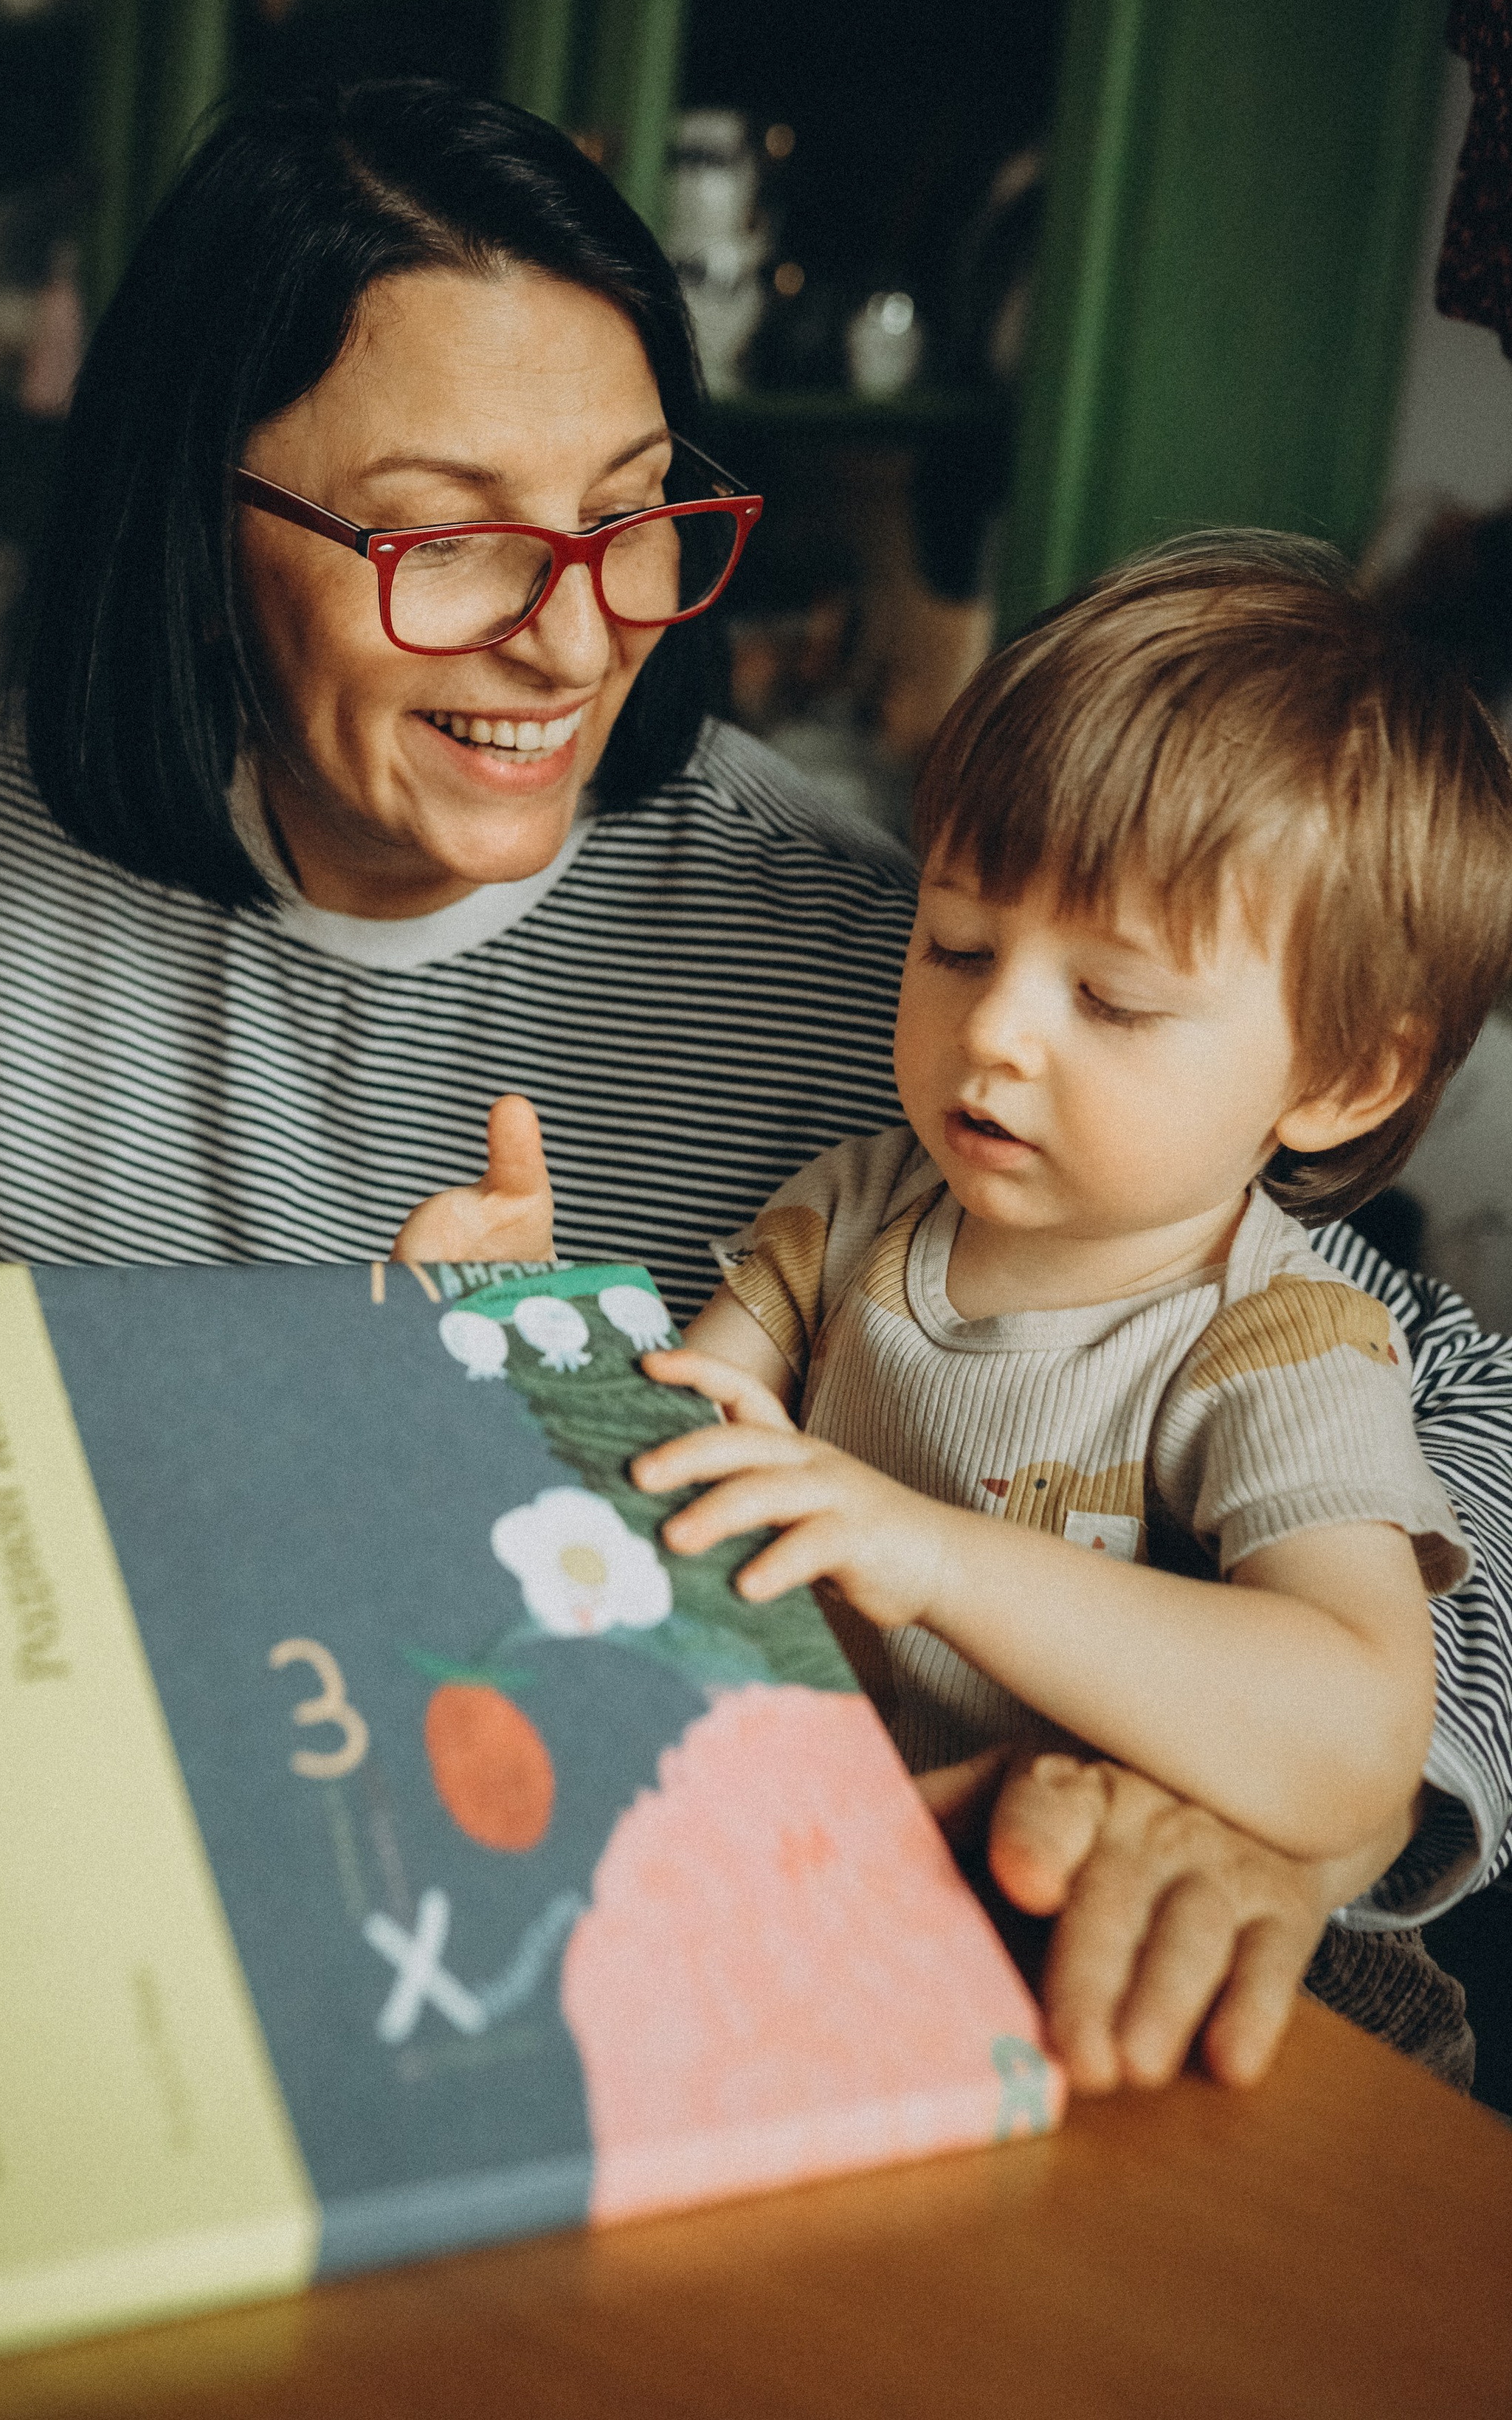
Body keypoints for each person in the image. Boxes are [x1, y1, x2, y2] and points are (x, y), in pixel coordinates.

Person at [0, 82, 1508, 2087]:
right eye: (447, 538)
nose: (566, 635)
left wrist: (1286, 1790)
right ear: (197, 536)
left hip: (633, 1968)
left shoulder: (898, 970)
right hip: (95, 1862)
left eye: (628, 522)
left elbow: (1418, 1383)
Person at [615, 540, 1508, 1886]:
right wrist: (538, 1353)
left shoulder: (1279, 1346)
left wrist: (931, 1557)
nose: (997, 1031)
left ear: (1345, 1077)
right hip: (832, 1879)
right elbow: (666, 1481)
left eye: (1114, 1001)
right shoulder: (847, 1213)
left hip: (1152, 1956)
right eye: (957, 945)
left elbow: (1354, 1738)